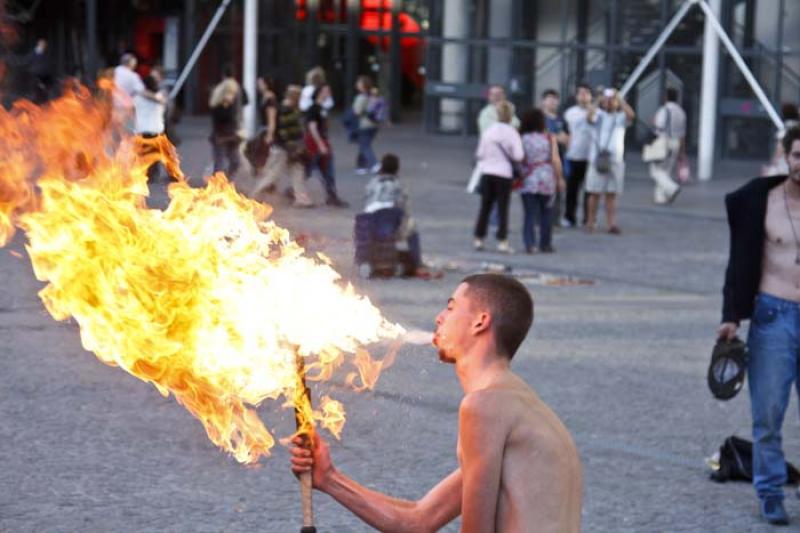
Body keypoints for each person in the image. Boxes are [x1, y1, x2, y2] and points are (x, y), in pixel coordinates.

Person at [290, 273, 583, 532]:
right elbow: (419, 520)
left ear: (481, 321)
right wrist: (329, 478)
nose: (439, 317)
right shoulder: (515, 403)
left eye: (452, 307)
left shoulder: (485, 406)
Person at [718, 126, 800, 526]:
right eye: (798, 155)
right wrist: (730, 316)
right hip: (774, 316)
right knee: (768, 413)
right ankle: (769, 491)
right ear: (786, 156)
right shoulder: (760, 201)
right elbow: (739, 263)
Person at [362, 153, 427, 277]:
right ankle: (417, 262)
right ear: (397, 169)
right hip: (390, 223)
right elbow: (405, 210)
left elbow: (366, 204)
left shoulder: (372, 182)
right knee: (412, 227)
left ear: (382, 167)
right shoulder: (399, 185)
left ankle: (366, 259)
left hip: (370, 225)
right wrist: (402, 229)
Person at [473, 101, 524, 254]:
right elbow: (519, 155)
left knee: (485, 207)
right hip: (504, 173)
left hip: (488, 172)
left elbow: (480, 154)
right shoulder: (512, 132)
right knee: (503, 208)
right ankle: (502, 240)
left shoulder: (489, 131)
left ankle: (479, 237)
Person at [251, 85, 313, 207]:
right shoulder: (286, 110)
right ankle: (254, 195)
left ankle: (302, 199)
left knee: (297, 171)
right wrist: (293, 147)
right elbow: (285, 131)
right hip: (283, 148)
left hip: (289, 147)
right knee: (273, 174)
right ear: (295, 97)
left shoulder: (289, 109)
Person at [584, 88, 635, 234]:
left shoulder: (620, 117)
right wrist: (597, 101)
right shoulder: (598, 115)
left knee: (611, 193)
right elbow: (588, 117)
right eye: (607, 100)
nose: (608, 102)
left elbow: (631, 115)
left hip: (615, 160)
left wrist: (620, 99)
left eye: (611, 100)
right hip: (597, 159)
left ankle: (611, 223)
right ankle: (590, 221)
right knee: (594, 192)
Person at [518, 108, 565, 254]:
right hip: (547, 178)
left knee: (529, 214)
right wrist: (560, 178)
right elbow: (555, 160)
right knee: (547, 213)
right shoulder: (549, 137)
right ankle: (545, 244)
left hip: (529, 178)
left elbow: (520, 158)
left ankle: (530, 244)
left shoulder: (522, 138)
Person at [305, 84, 349, 207]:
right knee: (307, 171)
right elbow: (312, 128)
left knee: (326, 170)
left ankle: (332, 196)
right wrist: (320, 145)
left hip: (321, 142)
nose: (329, 93)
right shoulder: (314, 109)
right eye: (326, 91)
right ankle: (293, 191)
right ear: (320, 93)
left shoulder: (321, 108)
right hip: (315, 144)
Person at [563, 82, 595, 227]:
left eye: (586, 93)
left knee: (589, 190)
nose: (583, 96)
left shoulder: (597, 112)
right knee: (572, 190)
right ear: (576, 96)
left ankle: (588, 218)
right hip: (574, 155)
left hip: (591, 157)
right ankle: (569, 217)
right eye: (580, 93)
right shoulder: (570, 113)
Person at [649, 87, 686, 205]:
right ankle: (661, 197)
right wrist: (682, 150)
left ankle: (671, 188)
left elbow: (658, 125)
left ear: (666, 96)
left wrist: (653, 121)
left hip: (663, 141)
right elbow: (682, 133)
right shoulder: (681, 112)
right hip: (676, 142)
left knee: (655, 171)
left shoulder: (664, 110)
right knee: (666, 170)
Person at [541, 89, 569, 225]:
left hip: (561, 159)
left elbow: (567, 138)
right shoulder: (540, 118)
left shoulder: (561, 119)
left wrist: (554, 137)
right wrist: (557, 137)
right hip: (544, 161)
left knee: (558, 189)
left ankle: (556, 218)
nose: (552, 101)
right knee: (542, 190)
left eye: (554, 98)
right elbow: (544, 136)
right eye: (549, 98)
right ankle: (540, 218)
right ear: (543, 101)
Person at [209, 84, 242, 178]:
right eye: (230, 94)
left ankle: (227, 179)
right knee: (219, 163)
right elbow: (220, 123)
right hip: (221, 137)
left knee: (236, 161)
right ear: (224, 94)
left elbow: (233, 121)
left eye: (233, 94)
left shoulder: (232, 106)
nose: (232, 96)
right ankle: (217, 183)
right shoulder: (218, 107)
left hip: (231, 137)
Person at [352, 75, 381, 175]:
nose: (357, 84)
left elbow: (357, 111)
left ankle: (374, 164)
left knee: (365, 145)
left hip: (363, 125)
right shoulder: (373, 95)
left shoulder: (361, 97)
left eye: (359, 83)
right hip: (374, 124)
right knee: (363, 145)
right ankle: (361, 166)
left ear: (363, 85)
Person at [765, 103, 800, 175]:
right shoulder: (795, 127)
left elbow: (780, 147)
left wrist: (774, 161)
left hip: (785, 165)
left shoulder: (787, 129)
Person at [112, 53, 145, 130]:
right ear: (131, 63)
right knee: (130, 133)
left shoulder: (115, 71)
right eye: (134, 63)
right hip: (126, 110)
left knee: (115, 133)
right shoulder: (133, 76)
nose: (135, 65)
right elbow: (142, 91)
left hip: (114, 108)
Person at [24, 38, 52, 103]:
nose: (44, 46)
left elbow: (46, 65)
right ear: (39, 44)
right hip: (34, 75)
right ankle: (33, 104)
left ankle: (40, 105)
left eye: (44, 45)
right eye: (42, 44)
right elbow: (26, 61)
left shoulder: (45, 53)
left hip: (43, 76)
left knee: (43, 92)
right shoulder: (33, 53)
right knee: (34, 92)